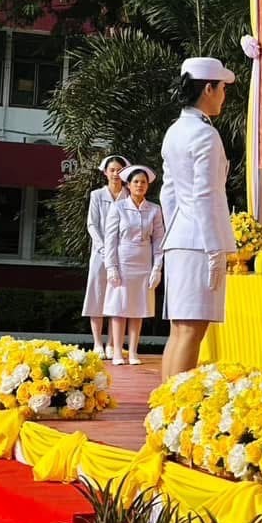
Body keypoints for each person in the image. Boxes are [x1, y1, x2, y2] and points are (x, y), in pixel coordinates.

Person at [160, 57, 235, 381]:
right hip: (198, 243)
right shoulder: (205, 135)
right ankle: (173, 408)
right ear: (208, 88)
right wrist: (214, 247)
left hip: (181, 237)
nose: (223, 96)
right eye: (221, 88)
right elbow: (205, 196)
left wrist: (174, 231)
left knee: (180, 331)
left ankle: (164, 408)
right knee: (191, 331)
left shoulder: (175, 130)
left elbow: (168, 193)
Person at [103, 165, 165, 366]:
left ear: (148, 186)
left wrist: (157, 268)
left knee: (138, 309)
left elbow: (159, 241)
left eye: (143, 182)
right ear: (128, 185)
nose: (139, 185)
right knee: (119, 308)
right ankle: (118, 352)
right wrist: (111, 266)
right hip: (123, 260)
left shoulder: (154, 209)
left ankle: (133, 352)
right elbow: (110, 240)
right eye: (136, 182)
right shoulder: (118, 207)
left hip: (143, 263)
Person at [81, 154, 129, 357]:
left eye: (119, 170)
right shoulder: (97, 195)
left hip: (124, 255)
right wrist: (103, 248)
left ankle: (113, 344)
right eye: (112, 170)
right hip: (100, 254)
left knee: (119, 297)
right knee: (97, 294)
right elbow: (92, 224)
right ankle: (98, 343)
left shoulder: (130, 195)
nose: (116, 174)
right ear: (105, 173)